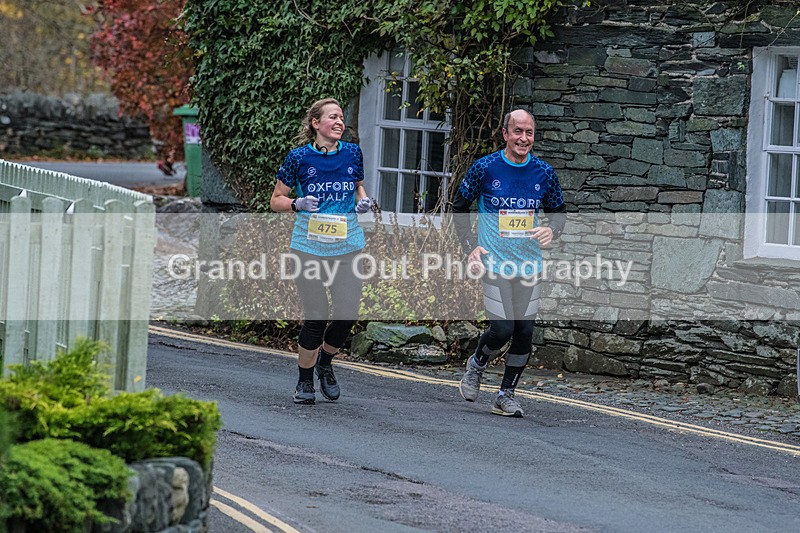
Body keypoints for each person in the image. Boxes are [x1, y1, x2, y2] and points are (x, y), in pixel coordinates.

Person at [452, 109, 566, 417]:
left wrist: (551, 229)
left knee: (524, 331)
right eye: (517, 131)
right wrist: (469, 248)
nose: (523, 138)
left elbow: (559, 213)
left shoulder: (544, 172)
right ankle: (477, 363)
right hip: (494, 263)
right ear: (505, 134)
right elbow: (459, 206)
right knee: (502, 328)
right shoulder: (485, 168)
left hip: (529, 266)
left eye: (529, 132)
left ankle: (506, 394)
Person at [270, 98, 373, 405]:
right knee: (316, 316)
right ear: (316, 123)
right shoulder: (299, 158)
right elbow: (276, 199)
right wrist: (295, 204)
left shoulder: (353, 153)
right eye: (333, 117)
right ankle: (304, 382)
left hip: (348, 246)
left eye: (341, 117)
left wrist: (363, 204)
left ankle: (325, 362)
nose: (340, 122)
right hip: (308, 248)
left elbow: (358, 187)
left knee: (347, 314)